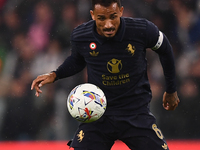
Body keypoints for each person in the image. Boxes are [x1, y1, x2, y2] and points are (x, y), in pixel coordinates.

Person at [31, 0, 180, 149]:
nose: (108, 24)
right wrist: (55, 74)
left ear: (121, 11)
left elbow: (165, 49)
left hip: (136, 113)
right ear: (93, 15)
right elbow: (77, 61)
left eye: (113, 17)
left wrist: (171, 89)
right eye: (102, 18)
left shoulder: (142, 29)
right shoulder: (81, 35)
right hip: (98, 114)